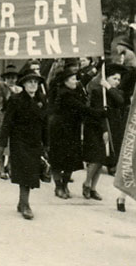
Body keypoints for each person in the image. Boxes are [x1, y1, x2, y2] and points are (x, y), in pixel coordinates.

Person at [0, 69, 47, 220]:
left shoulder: (42, 100)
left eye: (36, 82)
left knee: (32, 173)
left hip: (35, 142)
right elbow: (7, 123)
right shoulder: (16, 100)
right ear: (24, 84)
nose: (33, 84)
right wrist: (2, 143)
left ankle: (21, 202)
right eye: (30, 81)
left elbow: (45, 124)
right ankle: (25, 205)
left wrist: (47, 144)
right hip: (20, 141)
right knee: (26, 173)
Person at [82, 64, 126, 202]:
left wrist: (109, 87)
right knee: (96, 158)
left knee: (102, 160)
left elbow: (120, 101)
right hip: (96, 127)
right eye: (114, 78)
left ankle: (93, 187)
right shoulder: (97, 92)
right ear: (106, 78)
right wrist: (104, 130)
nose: (117, 82)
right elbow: (97, 113)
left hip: (112, 127)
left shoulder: (116, 92)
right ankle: (87, 183)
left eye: (119, 79)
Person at [48, 67, 88, 200]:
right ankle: (58, 186)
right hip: (60, 130)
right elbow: (82, 108)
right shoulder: (65, 93)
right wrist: (100, 113)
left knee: (70, 159)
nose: (75, 81)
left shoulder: (76, 91)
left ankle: (64, 185)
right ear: (65, 81)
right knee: (58, 159)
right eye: (73, 79)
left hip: (72, 129)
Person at [0, 64, 22, 179]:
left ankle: (10, 166)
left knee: (13, 146)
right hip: (1, 122)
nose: (11, 80)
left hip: (15, 122)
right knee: (1, 146)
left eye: (13, 77)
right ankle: (1, 167)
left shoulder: (20, 90)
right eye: (9, 78)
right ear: (5, 79)